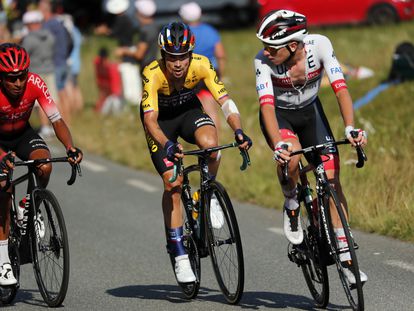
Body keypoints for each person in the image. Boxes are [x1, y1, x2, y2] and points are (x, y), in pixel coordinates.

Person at [254, 10, 368, 284]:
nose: (265, 52)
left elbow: (341, 88)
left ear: (292, 45)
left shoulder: (320, 45)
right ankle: (292, 202)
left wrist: (350, 127)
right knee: (291, 159)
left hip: (310, 114)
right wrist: (279, 144)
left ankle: (345, 254)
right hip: (280, 117)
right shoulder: (262, 61)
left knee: (331, 176)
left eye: (271, 47)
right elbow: (266, 106)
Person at [141, 22, 252, 283]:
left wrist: (238, 130)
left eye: (183, 56)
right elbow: (150, 120)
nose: (178, 63)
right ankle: (179, 252)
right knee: (173, 183)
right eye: (172, 57)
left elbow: (225, 101)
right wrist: (167, 144)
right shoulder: (152, 72)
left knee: (211, 148)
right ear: (163, 55)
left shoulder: (202, 64)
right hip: (161, 123)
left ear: (190, 54)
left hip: (189, 111)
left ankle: (208, 194)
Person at [0, 43, 82, 285]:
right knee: (4, 186)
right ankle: (3, 257)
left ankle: (29, 204)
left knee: (44, 164)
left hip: (23, 134)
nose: (18, 83)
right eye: (11, 78)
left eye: (22, 76)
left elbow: (56, 119)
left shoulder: (35, 83)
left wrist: (70, 147)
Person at [179, 1, 226, 132]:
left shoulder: (184, 33)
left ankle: (203, 135)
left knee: (198, 108)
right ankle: (216, 136)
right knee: (212, 107)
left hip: (192, 73)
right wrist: (220, 74)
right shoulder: (210, 30)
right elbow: (220, 54)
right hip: (211, 70)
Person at [21, 9, 57, 138]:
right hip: (50, 70)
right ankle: (52, 125)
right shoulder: (49, 35)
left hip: (36, 73)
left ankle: (44, 127)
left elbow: (23, 56)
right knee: (50, 100)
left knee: (39, 102)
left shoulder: (29, 38)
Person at [115, 0, 159, 71]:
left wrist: (123, 51)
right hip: (153, 66)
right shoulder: (154, 26)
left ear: (140, 13)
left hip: (146, 69)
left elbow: (139, 54)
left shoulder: (145, 31)